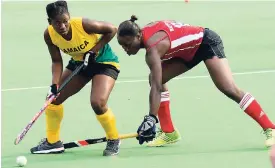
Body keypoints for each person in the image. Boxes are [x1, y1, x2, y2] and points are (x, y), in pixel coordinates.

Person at [116, 15, 275, 147]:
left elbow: (157, 87)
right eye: (122, 45)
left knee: (229, 88)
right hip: (187, 51)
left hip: (206, 43)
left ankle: (270, 128)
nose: (126, 49)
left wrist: (151, 117)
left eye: (128, 44)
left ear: (138, 36)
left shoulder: (153, 49)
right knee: (156, 77)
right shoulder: (145, 34)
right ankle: (169, 132)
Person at [30, 1, 121, 156]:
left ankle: (114, 139)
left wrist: (95, 49)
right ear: (49, 22)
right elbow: (56, 61)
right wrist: (54, 85)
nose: (63, 26)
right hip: (80, 64)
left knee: (97, 103)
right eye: (57, 23)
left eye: (65, 21)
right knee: (53, 99)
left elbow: (112, 29)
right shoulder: (49, 35)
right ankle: (53, 142)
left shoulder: (83, 24)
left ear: (69, 18)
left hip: (104, 63)